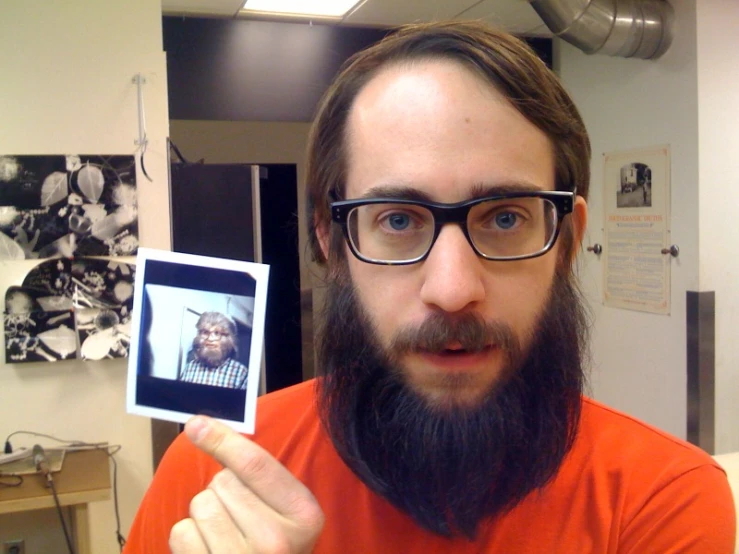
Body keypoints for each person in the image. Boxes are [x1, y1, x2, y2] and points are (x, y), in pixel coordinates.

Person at [124, 21, 735, 553]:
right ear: (333, 244)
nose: (452, 289)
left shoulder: (661, 500)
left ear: (568, 241)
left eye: (504, 218)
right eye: (397, 219)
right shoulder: (215, 478)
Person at [178, 311, 249, 390]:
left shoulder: (241, 373)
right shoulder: (190, 367)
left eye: (217, 333)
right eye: (205, 332)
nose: (210, 339)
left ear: (228, 339)